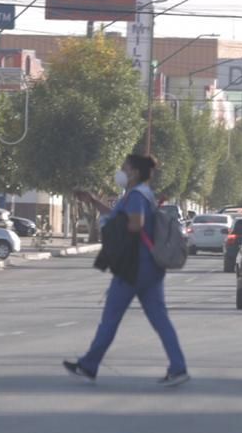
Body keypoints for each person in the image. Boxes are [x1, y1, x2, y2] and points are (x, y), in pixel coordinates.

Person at [64, 153, 190, 387]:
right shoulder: (139, 194)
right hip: (149, 267)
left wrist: (109, 227)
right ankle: (178, 367)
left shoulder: (136, 196)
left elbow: (134, 224)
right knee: (160, 320)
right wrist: (92, 200)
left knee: (110, 319)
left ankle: (88, 366)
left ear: (133, 172)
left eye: (124, 167)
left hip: (134, 267)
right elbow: (119, 216)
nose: (120, 171)